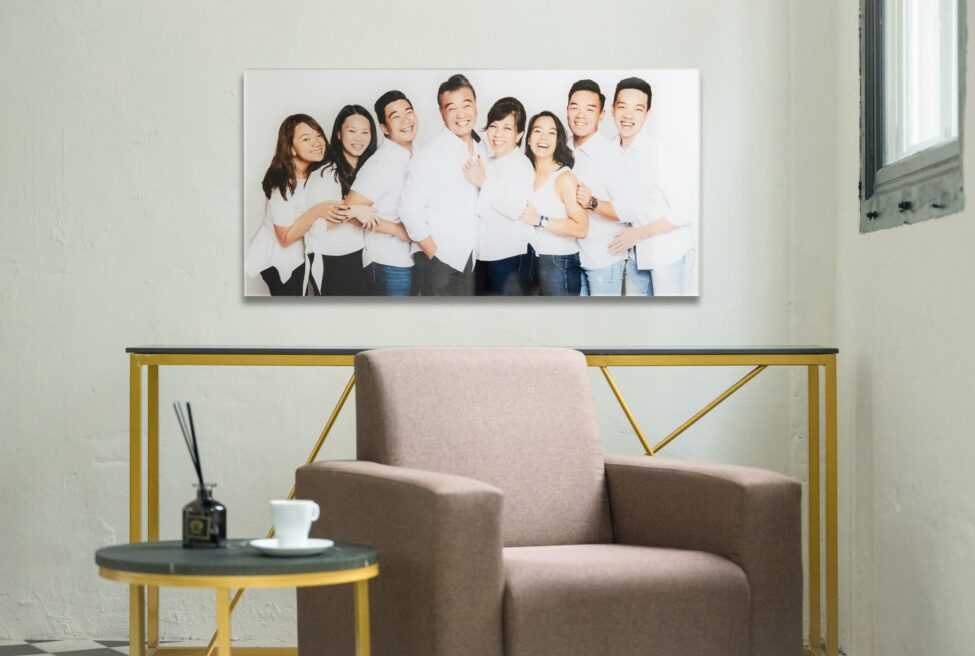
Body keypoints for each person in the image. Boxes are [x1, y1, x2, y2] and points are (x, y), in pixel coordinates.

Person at [608, 77, 696, 296]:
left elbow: (684, 210)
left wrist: (638, 234)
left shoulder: (659, 155)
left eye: (637, 109)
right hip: (634, 255)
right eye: (622, 107)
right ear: (612, 110)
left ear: (647, 114)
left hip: (668, 253)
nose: (628, 116)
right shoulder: (609, 150)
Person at [400, 73, 486, 296]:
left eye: (466, 105)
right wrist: (435, 256)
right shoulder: (430, 154)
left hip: (471, 257)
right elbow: (409, 210)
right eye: (451, 108)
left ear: (476, 106)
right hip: (441, 261)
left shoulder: (481, 148)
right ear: (442, 113)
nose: (461, 115)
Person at [245, 114, 346, 296]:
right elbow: (285, 237)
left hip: (302, 253)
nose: (317, 142)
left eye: (318, 135)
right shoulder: (281, 183)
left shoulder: (317, 174)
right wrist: (317, 210)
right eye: (306, 139)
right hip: (277, 258)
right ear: (291, 148)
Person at [341, 91, 418, 296]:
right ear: (384, 128)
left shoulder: (417, 152)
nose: (405, 120)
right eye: (395, 116)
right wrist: (397, 229)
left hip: (412, 259)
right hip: (388, 264)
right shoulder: (381, 163)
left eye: (408, 112)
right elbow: (347, 210)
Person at [564, 79, 635, 296]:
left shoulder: (612, 155)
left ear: (602, 114)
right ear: (566, 110)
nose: (580, 115)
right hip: (570, 257)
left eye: (589, 109)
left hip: (603, 259)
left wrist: (592, 202)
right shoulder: (562, 148)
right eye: (574, 107)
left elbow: (629, 210)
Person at [304, 105, 378, 296]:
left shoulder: (368, 170)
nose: (359, 138)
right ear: (338, 133)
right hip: (333, 259)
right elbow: (318, 222)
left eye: (365, 132)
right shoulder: (326, 173)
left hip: (359, 256)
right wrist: (356, 210)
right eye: (352, 131)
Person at [465, 97, 534, 295]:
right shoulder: (488, 161)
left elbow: (515, 209)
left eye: (507, 128)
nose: (498, 134)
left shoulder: (521, 164)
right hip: (483, 256)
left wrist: (483, 182)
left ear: (519, 135)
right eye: (494, 126)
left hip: (510, 256)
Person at [520, 111, 588, 296]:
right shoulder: (524, 172)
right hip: (529, 260)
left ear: (557, 140)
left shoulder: (564, 177)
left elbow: (581, 228)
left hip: (558, 263)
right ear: (528, 139)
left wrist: (539, 219)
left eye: (551, 133)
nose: (543, 138)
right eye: (538, 131)